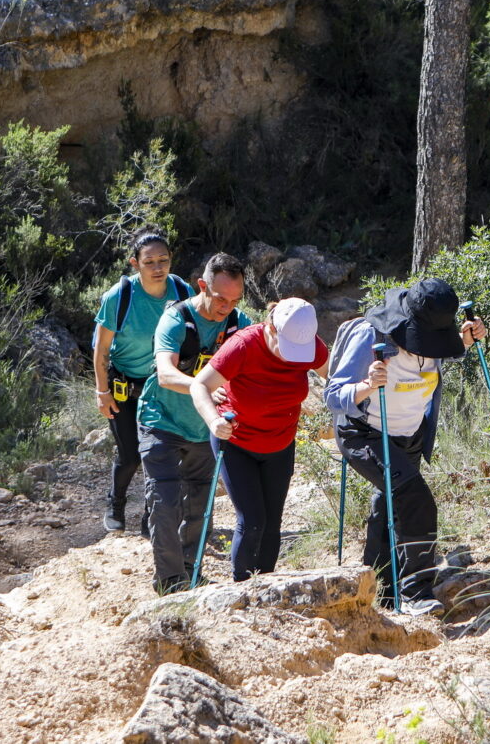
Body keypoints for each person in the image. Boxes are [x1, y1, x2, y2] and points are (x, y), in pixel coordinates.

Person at [322, 278, 485, 616]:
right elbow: (332, 396)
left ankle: (380, 592)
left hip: (409, 436)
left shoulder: (434, 336)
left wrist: (465, 341)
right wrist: (367, 385)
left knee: (389, 508)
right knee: (416, 500)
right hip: (364, 433)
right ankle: (415, 592)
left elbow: (440, 351)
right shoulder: (370, 335)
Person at [189, 297, 329, 582]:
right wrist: (214, 421)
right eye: (288, 348)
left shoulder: (310, 344)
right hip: (236, 442)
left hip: (280, 444)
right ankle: (241, 589)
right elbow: (200, 385)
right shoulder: (243, 346)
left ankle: (266, 588)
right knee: (252, 522)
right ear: (271, 328)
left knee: (272, 523)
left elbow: (334, 376)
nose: (293, 357)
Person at [137, 253, 252, 594]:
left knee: (199, 507)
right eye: (220, 299)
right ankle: (170, 581)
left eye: (234, 300)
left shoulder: (239, 323)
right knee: (165, 502)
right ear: (203, 286)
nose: (226, 307)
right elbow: (166, 374)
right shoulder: (176, 319)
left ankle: (191, 570)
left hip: (205, 428)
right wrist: (203, 386)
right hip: (161, 420)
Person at [93, 229, 191, 534]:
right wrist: (102, 391)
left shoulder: (182, 291)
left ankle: (153, 516)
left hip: (164, 387)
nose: (158, 267)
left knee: (162, 453)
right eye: (149, 262)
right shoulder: (119, 297)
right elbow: (100, 349)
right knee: (130, 455)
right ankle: (116, 504)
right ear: (135, 263)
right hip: (125, 386)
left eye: (163, 260)